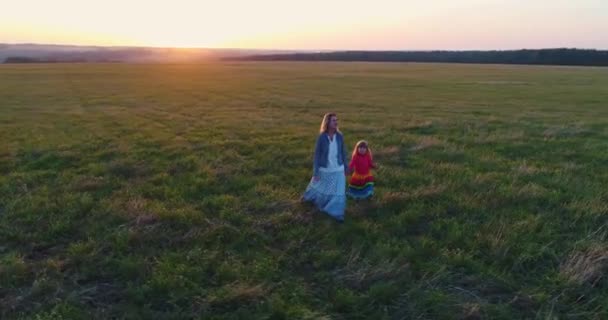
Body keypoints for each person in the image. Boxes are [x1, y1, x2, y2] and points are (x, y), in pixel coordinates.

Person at [302, 113, 349, 221]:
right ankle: (310, 200)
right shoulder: (322, 137)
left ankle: (337, 213)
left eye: (337, 120)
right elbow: (317, 156)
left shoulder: (340, 136)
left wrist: (346, 167)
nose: (336, 122)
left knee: (338, 192)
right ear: (327, 122)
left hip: (338, 168)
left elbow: (343, 152)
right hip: (325, 169)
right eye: (333, 120)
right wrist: (316, 172)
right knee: (321, 187)